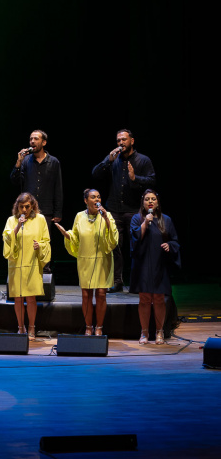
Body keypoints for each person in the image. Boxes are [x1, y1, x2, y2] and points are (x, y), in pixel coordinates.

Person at [91, 129, 156, 292]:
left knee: (137, 246)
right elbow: (95, 174)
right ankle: (117, 281)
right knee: (115, 247)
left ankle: (138, 282)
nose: (121, 143)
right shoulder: (113, 159)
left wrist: (135, 178)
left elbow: (152, 181)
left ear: (132, 141)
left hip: (134, 210)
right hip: (114, 210)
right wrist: (107, 161)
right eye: (118, 140)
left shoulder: (143, 160)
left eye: (124, 140)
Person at [54, 189, 118, 336]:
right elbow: (75, 237)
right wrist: (66, 234)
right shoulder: (79, 216)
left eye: (99, 197)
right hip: (85, 259)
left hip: (102, 259)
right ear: (86, 200)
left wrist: (106, 219)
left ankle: (99, 327)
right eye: (93, 197)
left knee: (101, 294)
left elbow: (113, 238)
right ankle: (88, 327)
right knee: (86, 294)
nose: (97, 200)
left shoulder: (107, 215)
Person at [130, 190, 180, 345]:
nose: (150, 201)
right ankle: (144, 332)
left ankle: (160, 331)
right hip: (143, 264)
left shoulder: (166, 220)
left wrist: (169, 245)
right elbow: (134, 238)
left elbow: (175, 241)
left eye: (153, 199)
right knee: (144, 298)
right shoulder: (137, 218)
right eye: (147, 199)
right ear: (143, 202)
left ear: (157, 202)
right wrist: (145, 222)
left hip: (160, 264)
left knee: (159, 298)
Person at [9, 130, 63, 273]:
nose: (32, 141)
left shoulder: (53, 162)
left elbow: (58, 187)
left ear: (43, 142)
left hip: (46, 208)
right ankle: (27, 269)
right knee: (27, 239)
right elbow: (14, 181)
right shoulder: (26, 161)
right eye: (31, 139)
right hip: (27, 209)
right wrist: (18, 163)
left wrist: (57, 211)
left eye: (36, 139)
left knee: (44, 241)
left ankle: (45, 271)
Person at [3, 193, 51, 339]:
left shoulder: (40, 219)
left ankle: (31, 327)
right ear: (17, 207)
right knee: (18, 298)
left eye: (27, 206)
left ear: (32, 206)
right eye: (21, 207)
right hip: (16, 264)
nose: (24, 210)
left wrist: (40, 245)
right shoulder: (11, 220)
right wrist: (18, 225)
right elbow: (7, 238)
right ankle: (20, 327)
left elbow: (46, 240)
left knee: (31, 298)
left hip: (32, 263)